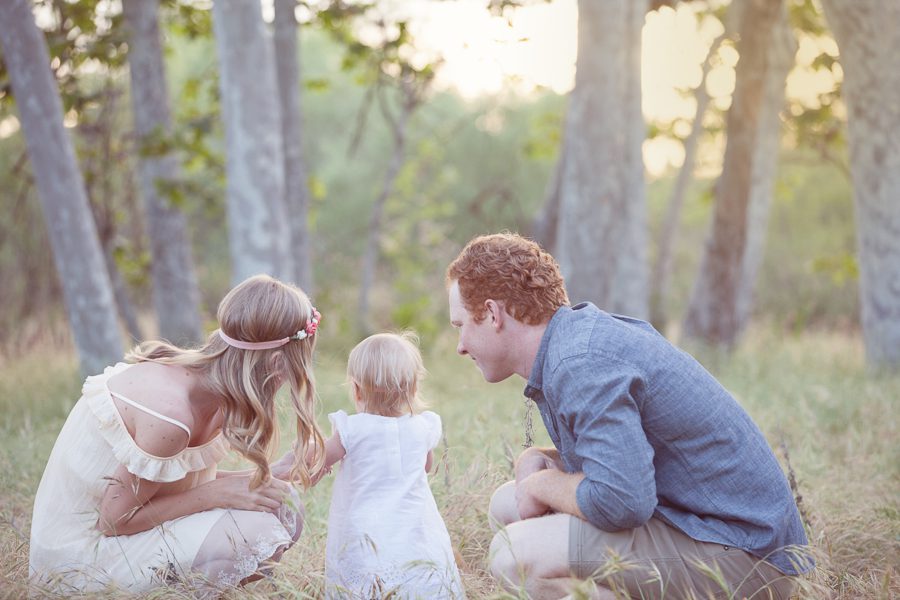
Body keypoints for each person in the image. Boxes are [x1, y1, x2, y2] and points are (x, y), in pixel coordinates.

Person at [446, 233, 811, 600]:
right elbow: (622, 458)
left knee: (514, 555)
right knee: (506, 505)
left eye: (460, 325)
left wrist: (541, 484)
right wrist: (537, 459)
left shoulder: (579, 362)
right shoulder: (572, 343)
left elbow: (621, 500)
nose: (460, 346)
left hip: (748, 557)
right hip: (700, 526)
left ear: (492, 314)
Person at [29, 274, 326, 595]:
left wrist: (261, 476)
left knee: (282, 505)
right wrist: (218, 493)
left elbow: (164, 480)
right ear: (277, 363)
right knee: (251, 534)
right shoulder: (171, 416)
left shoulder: (212, 389)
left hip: (122, 527)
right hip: (84, 553)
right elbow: (115, 520)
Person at [312, 332, 465, 599]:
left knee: (366, 582)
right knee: (419, 575)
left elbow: (320, 459)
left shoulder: (352, 429)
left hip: (364, 529)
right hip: (416, 524)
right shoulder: (422, 426)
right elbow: (426, 465)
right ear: (414, 388)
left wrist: (308, 451)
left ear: (357, 389)